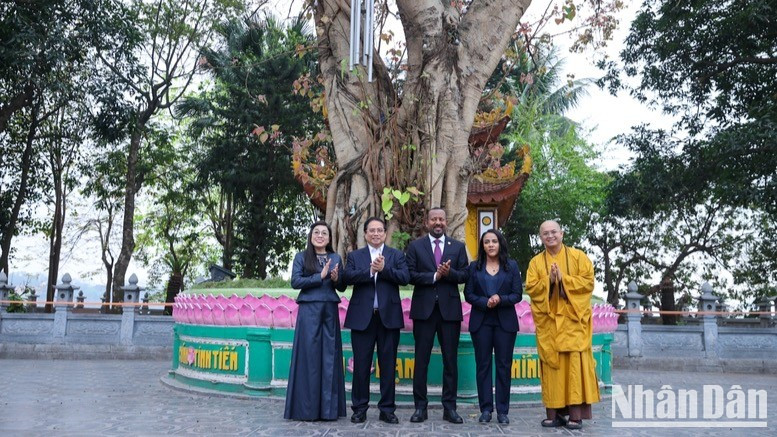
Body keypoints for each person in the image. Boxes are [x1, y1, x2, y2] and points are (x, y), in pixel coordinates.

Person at [525, 220, 600, 430]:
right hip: (549, 324)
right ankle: (554, 415)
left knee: (574, 367)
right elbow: (531, 287)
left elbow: (588, 283)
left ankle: (575, 416)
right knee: (552, 368)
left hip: (573, 323)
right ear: (540, 237)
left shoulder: (579, 257)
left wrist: (564, 280)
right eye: (545, 233)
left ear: (562, 233)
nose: (550, 236)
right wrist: (549, 281)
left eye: (553, 232)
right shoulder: (536, 263)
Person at [342, 216, 410, 424]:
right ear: (365, 234)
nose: (376, 234)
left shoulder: (396, 255)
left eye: (379, 230)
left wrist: (384, 270)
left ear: (385, 233)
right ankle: (359, 408)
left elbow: (405, 278)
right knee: (361, 365)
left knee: (388, 365)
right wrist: (371, 271)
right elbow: (347, 278)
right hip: (362, 318)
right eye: (371, 230)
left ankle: (387, 409)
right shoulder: (355, 256)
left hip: (388, 318)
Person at [406, 207, 469, 424]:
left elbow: (464, 275)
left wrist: (448, 273)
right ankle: (420, 408)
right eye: (434, 219)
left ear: (446, 221)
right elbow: (410, 275)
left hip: (449, 313)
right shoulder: (415, 246)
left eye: (441, 219)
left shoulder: (458, 247)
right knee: (421, 361)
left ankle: (449, 408)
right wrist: (434, 275)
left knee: (450, 362)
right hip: (424, 312)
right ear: (427, 222)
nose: (438, 222)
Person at [284, 221, 347, 421]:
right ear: (311, 236)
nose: (320, 236)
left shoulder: (335, 257)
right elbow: (296, 282)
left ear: (329, 238)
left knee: (330, 357)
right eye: (316, 232)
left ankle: (329, 410)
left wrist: (337, 279)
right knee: (309, 357)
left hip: (329, 308)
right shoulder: (301, 257)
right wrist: (319, 277)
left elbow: (343, 287)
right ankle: (307, 409)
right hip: (309, 309)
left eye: (324, 233)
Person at [463, 229, 522, 424]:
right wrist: (484, 302)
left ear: (500, 243)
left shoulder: (511, 266)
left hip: (505, 322)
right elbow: (469, 294)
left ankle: (503, 411)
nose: (490, 245)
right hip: (481, 322)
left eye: (494, 241)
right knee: (483, 366)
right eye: (486, 242)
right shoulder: (474, 267)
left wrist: (500, 298)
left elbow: (517, 294)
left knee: (504, 366)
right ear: (482, 245)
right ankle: (486, 409)